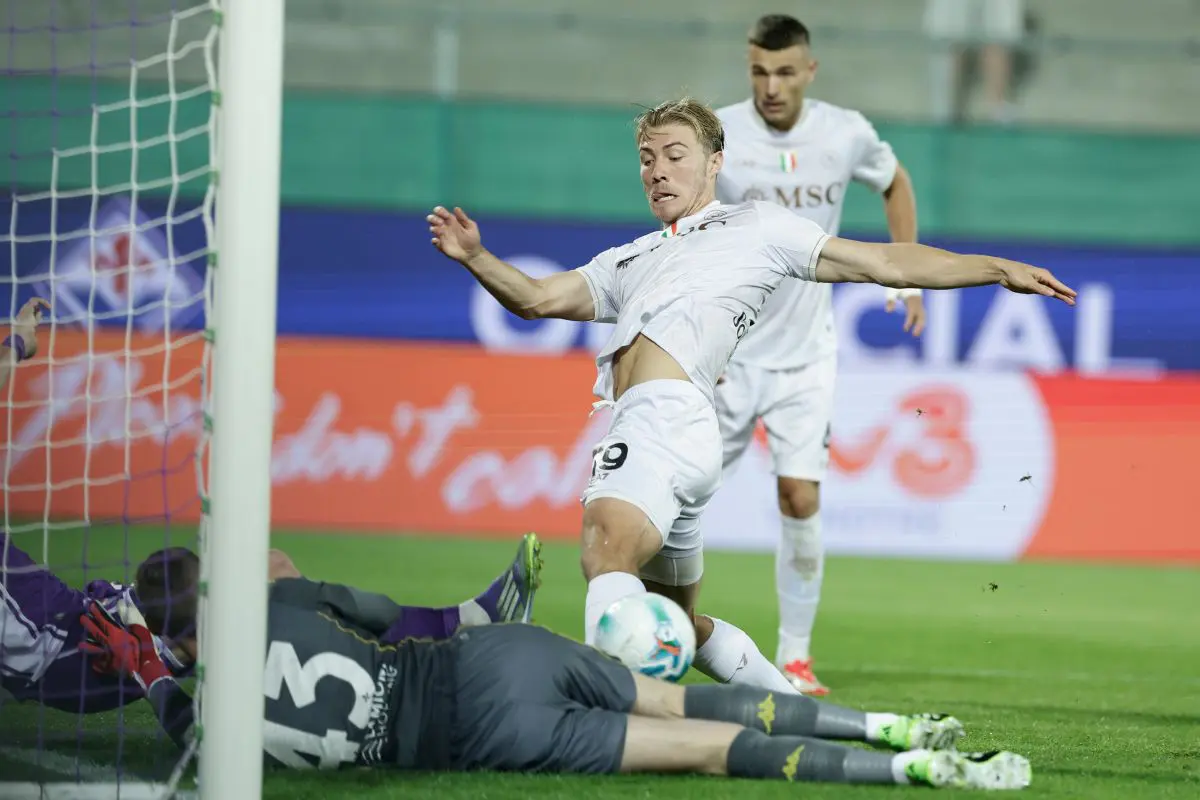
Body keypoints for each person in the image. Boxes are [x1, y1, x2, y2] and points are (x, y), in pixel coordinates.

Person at [426, 97, 1074, 698]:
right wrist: (475, 257)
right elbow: (537, 299)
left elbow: (883, 263)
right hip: (686, 434)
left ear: (716, 163)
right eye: (647, 159)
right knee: (676, 624)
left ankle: (604, 707)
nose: (657, 170)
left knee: (604, 551)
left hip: (661, 421)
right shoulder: (630, 259)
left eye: (674, 155)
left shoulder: (757, 227)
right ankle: (795, 712)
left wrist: (996, 268)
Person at [80, 550, 1031, 789]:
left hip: (477, 734)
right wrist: (283, 581)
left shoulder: (216, 729)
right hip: (493, 656)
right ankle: (889, 725)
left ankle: (916, 772)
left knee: (701, 748)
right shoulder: (284, 601)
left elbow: (186, 730)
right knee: (683, 698)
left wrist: (150, 672)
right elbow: (378, 612)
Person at [711, 14, 922, 696]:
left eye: (783, 72)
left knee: (800, 494)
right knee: (682, 491)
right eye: (758, 72)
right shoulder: (719, 134)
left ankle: (795, 658)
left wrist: (906, 274)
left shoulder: (845, 133)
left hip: (805, 355)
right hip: (727, 352)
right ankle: (651, 622)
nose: (770, 87)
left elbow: (894, 181)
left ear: (809, 71)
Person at [0, 531, 541, 713]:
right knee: (277, 590)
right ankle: (459, 637)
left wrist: (17, 348)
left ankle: (459, 630)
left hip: (96, 610)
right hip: (84, 646)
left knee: (274, 571)